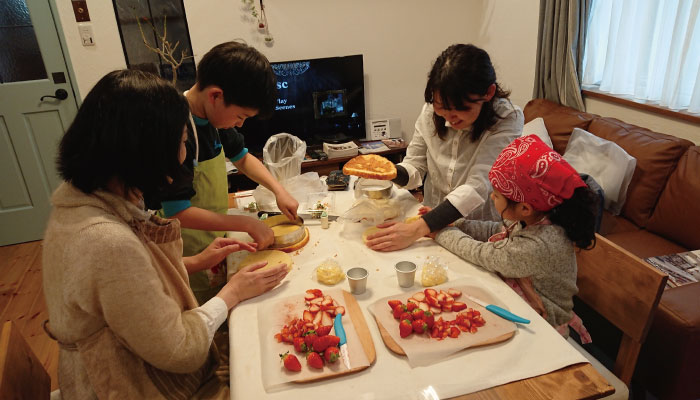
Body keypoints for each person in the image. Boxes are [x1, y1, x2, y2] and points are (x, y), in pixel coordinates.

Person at [43, 70, 289, 399]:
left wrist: (197, 261)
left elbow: (124, 291)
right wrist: (231, 294)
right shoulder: (106, 242)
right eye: (182, 142)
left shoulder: (82, 197)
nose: (185, 154)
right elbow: (180, 351)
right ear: (146, 149)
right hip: (122, 382)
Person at [145, 41, 299, 304]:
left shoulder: (214, 119)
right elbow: (177, 210)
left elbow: (243, 158)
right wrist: (246, 223)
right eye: (241, 116)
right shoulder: (176, 131)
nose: (240, 124)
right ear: (215, 96)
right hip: (185, 247)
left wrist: (279, 190)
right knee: (198, 309)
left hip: (214, 237)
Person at [432, 135, 597, 336]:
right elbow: (496, 231)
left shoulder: (539, 244)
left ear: (525, 208)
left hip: (543, 328)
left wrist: (440, 232)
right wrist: (455, 223)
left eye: (497, 195)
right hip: (522, 305)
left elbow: (483, 254)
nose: (492, 197)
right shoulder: (537, 217)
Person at [366, 44, 523, 252]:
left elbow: (478, 185)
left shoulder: (507, 118)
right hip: (430, 218)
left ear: (488, 93)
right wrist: (390, 171)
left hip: (478, 228)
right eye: (442, 108)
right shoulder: (430, 112)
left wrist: (415, 230)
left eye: (461, 108)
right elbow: (415, 167)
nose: (450, 118)